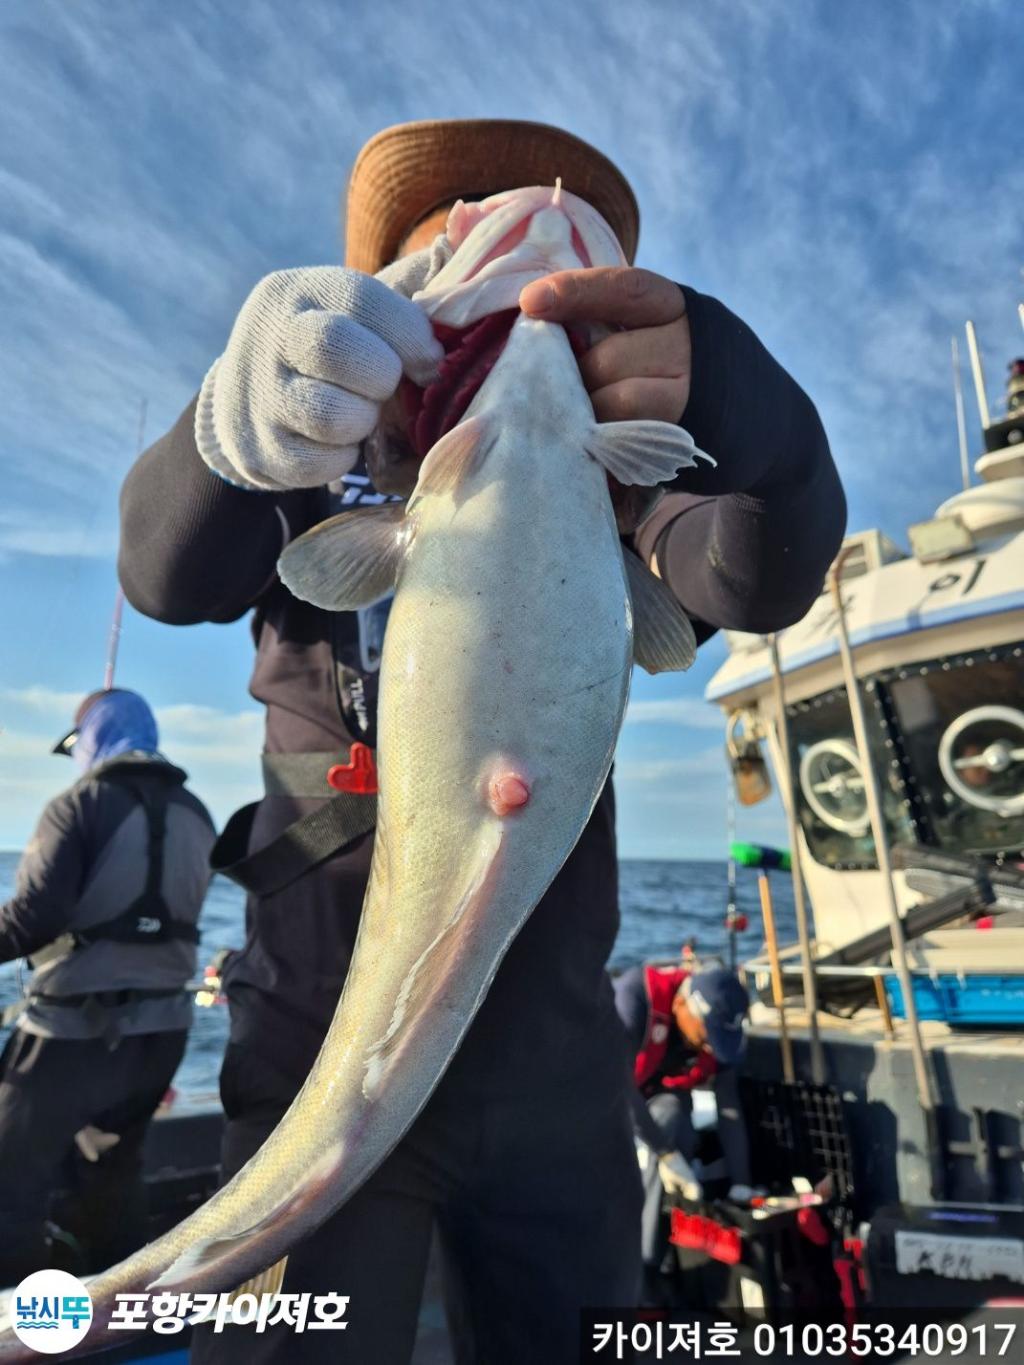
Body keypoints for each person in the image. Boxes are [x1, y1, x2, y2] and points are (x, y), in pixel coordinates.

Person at [118, 118, 846, 1364]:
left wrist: (733, 390)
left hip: (554, 1078)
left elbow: (757, 569)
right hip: (308, 1044)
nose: (517, 220)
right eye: (451, 226)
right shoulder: (308, 470)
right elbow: (162, 572)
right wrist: (220, 429)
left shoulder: (621, 488)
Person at [0, 689, 215, 1284]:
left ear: (91, 739)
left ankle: (23, 1336)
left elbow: (30, 921)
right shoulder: (197, 811)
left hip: (71, 1036)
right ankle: (118, 1318)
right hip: (161, 1038)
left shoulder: (78, 805)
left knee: (9, 1184)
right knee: (115, 1176)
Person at [613, 962, 752, 1287]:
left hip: (658, 1099)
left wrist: (742, 1184)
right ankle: (640, 1272)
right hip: (602, 1099)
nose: (708, 1048)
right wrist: (665, 1154)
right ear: (681, 1004)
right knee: (662, 1130)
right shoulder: (635, 999)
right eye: (706, 1036)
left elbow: (729, 1107)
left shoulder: (717, 1044)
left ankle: (662, 1256)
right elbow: (615, 1083)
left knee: (678, 1122)